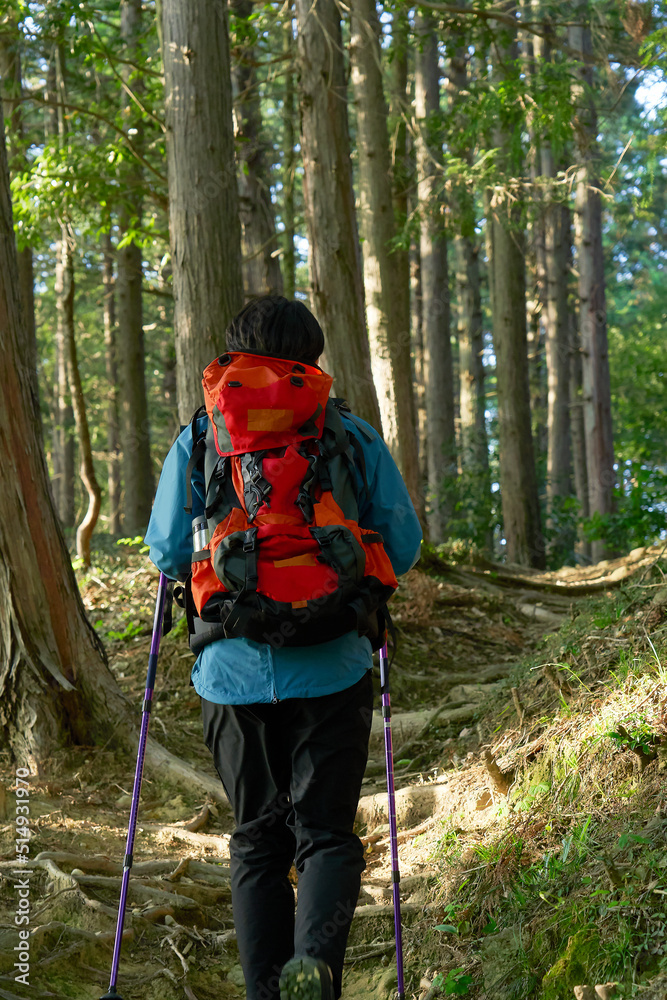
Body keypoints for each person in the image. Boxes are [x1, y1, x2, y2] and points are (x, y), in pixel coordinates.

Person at [145, 296, 422, 1000]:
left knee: (256, 840)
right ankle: (316, 979)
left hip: (230, 670)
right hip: (333, 660)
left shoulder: (201, 437)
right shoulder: (348, 432)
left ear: (233, 357)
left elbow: (169, 552)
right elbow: (404, 543)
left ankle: (264, 990)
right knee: (325, 834)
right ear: (313, 358)